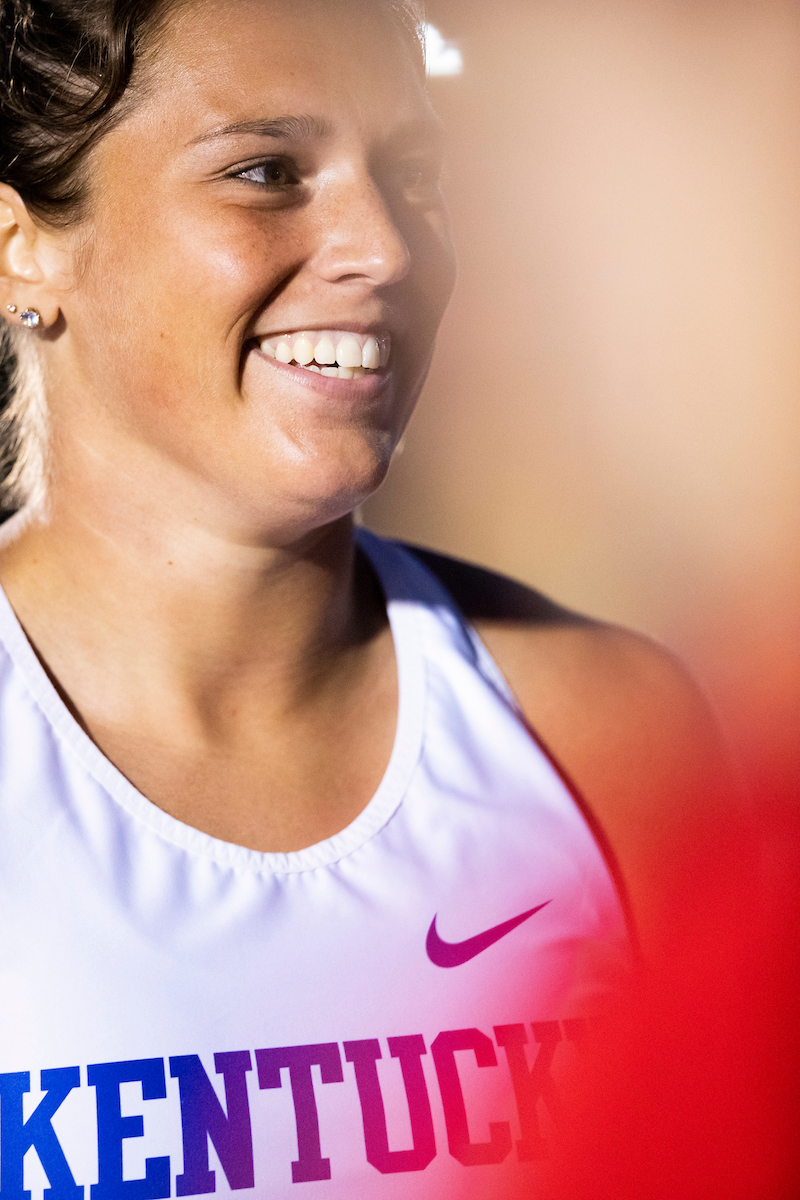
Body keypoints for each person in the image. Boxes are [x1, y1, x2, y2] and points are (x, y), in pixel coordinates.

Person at [0, 0, 729, 1196]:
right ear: (22, 248)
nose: (385, 248)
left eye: (414, 174)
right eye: (265, 172)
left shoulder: (611, 734)